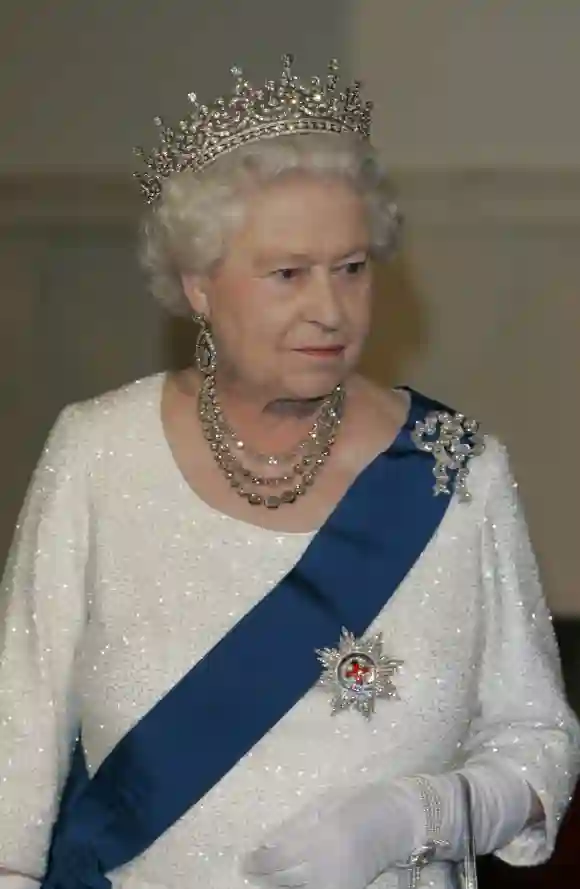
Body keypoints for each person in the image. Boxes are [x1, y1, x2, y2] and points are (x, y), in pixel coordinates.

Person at [0, 55, 578, 889]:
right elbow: (16, 741)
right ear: (199, 283)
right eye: (287, 274)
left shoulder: (455, 471)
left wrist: (422, 816)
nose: (330, 309)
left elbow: (539, 744)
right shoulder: (99, 451)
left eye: (352, 267)